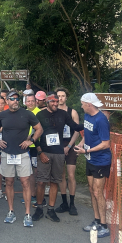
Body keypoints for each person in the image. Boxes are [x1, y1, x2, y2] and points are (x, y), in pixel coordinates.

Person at [32, 92, 83, 223]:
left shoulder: (63, 114)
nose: (55, 103)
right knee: (41, 182)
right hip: (45, 152)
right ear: (47, 102)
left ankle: (51, 209)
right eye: (53, 101)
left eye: (57, 101)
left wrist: (90, 123)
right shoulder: (40, 115)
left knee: (55, 181)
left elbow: (75, 127)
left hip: (59, 153)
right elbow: (35, 135)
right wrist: (40, 152)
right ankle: (39, 208)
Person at [0, 90, 43, 227]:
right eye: (12, 98)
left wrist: (31, 141)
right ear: (7, 101)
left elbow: (39, 129)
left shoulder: (27, 114)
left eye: (17, 98)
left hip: (22, 153)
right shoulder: (2, 115)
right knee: (9, 182)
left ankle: (27, 214)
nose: (15, 101)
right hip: (7, 153)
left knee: (25, 182)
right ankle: (11, 211)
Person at [75, 92, 112, 238]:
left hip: (101, 160)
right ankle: (96, 220)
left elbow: (105, 144)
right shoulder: (87, 116)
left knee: (98, 192)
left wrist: (87, 150)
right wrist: (81, 145)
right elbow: (87, 134)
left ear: (89, 104)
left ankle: (104, 225)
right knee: (91, 190)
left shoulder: (101, 119)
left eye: (82, 104)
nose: (81, 106)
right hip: (90, 158)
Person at [55, 87, 80, 216]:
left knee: (71, 175)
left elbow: (77, 131)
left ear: (66, 97)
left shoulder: (72, 112)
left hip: (70, 145)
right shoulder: (53, 112)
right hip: (58, 146)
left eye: (63, 95)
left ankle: (72, 203)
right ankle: (64, 202)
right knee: (61, 175)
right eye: (58, 96)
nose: (60, 98)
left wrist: (69, 146)